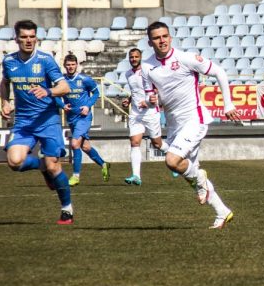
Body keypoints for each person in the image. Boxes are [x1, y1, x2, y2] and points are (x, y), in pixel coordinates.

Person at [141, 21, 241, 229]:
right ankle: (222, 212)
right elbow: (153, 98)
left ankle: (201, 178)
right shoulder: (147, 68)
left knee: (172, 161)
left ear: (170, 37)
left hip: (195, 120)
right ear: (150, 42)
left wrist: (228, 104)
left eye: (165, 36)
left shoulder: (185, 58)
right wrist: (153, 101)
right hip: (175, 126)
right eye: (157, 38)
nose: (162, 41)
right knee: (189, 174)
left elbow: (220, 72)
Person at [0, 20, 73, 224]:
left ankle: (67, 209)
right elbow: (4, 83)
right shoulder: (9, 62)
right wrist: (5, 102)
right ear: (16, 39)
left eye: (32, 36)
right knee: (14, 162)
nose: (29, 40)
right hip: (24, 122)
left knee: (54, 166)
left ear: (37, 38)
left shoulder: (45, 61)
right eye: (24, 37)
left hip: (48, 120)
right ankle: (41, 165)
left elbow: (65, 87)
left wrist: (48, 91)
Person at [57, 53, 109, 186]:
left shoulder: (85, 79)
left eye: (73, 64)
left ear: (77, 65)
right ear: (64, 66)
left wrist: (88, 105)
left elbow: (96, 92)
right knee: (85, 147)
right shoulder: (61, 81)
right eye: (68, 65)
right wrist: (62, 105)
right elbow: (55, 96)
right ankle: (104, 165)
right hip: (72, 118)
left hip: (84, 118)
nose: (70, 67)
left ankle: (76, 176)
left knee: (75, 144)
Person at [120, 48, 169, 186]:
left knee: (157, 144)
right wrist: (128, 100)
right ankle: (136, 176)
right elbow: (135, 91)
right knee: (135, 142)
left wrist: (151, 100)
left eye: (136, 57)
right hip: (136, 113)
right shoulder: (128, 74)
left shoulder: (148, 72)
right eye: (131, 57)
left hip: (150, 113)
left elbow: (158, 88)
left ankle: (175, 156)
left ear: (140, 57)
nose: (133, 59)